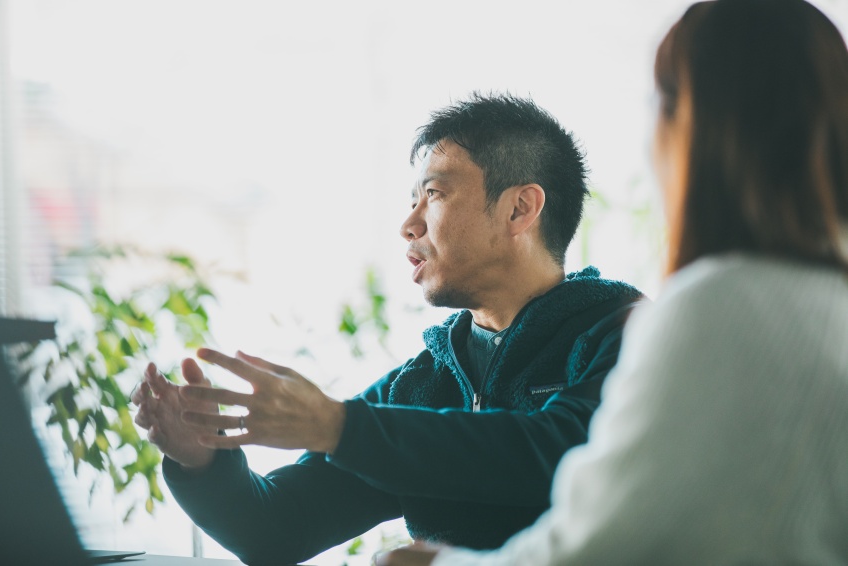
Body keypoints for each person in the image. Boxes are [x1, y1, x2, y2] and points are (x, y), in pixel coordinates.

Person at [376, 1, 848, 565]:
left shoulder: (709, 309)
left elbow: (608, 545)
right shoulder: (826, 304)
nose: (410, 223)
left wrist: (439, 562)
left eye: (434, 193)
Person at [131, 93, 645, 565]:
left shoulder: (624, 332)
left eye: (435, 193)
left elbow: (561, 454)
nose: (409, 223)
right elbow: (278, 527)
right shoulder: (425, 381)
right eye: (411, 199)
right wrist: (199, 460)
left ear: (519, 208)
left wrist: (339, 426)